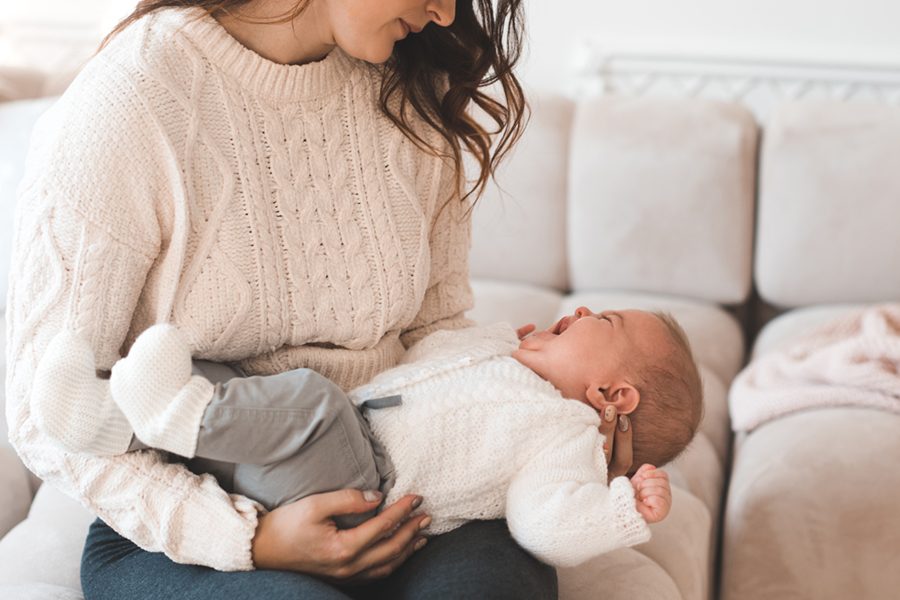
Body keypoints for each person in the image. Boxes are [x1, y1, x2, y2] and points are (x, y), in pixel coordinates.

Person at [4, 0, 588, 597]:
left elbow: (435, 327)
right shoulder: (133, 95)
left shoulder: (411, 85)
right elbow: (42, 412)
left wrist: (561, 422)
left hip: (405, 488)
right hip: (196, 513)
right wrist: (245, 538)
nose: (445, 13)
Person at [34, 305, 701, 567]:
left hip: (355, 488)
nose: (579, 310)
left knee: (309, 402)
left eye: (601, 320)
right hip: (310, 452)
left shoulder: (565, 436)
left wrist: (618, 508)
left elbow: (544, 525)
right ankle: (105, 422)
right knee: (232, 383)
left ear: (613, 396)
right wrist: (509, 342)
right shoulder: (508, 356)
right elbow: (431, 350)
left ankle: (168, 415)